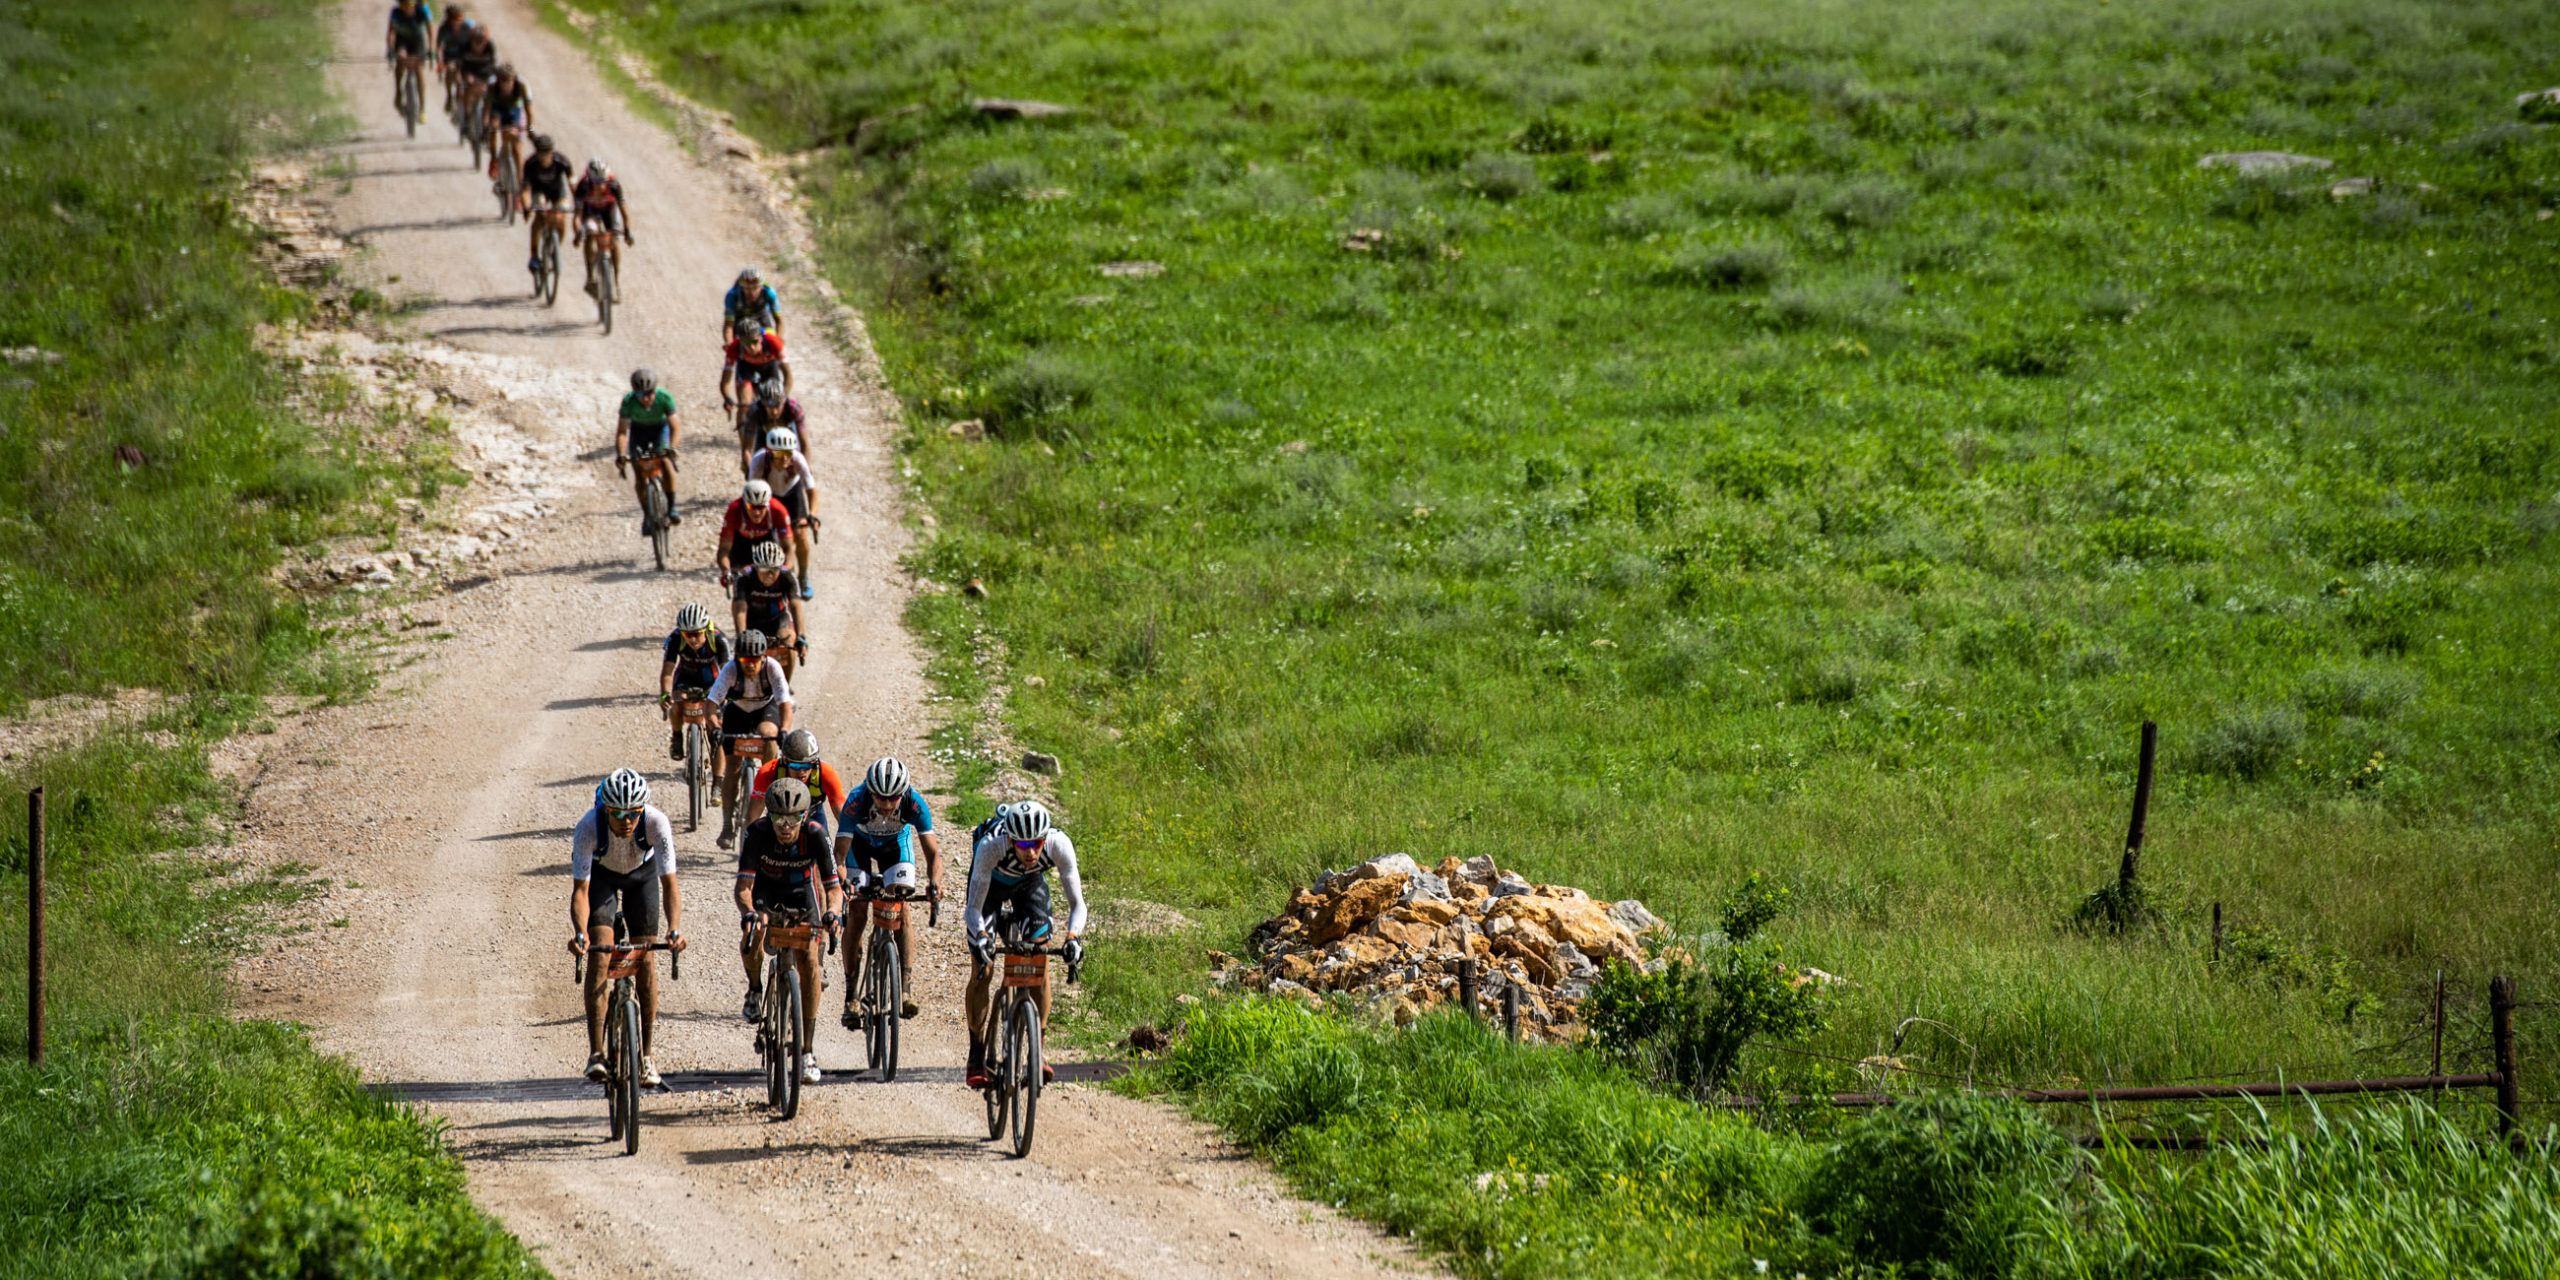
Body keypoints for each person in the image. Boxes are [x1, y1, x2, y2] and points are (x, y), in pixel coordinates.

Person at [569, 769, 686, 1088]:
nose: (625, 821)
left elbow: (670, 885)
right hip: (602, 878)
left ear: (642, 810)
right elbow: (581, 892)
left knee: (645, 957)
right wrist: (581, 934)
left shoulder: (657, 824)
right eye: (617, 814)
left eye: (633, 814)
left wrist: (674, 929)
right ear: (605, 809)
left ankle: (646, 1057)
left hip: (642, 877)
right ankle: (596, 1053)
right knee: (600, 953)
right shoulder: (588, 826)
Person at [962, 800, 1084, 1090]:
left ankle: (1037, 1052)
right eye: (1023, 844)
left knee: (1040, 957)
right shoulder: (991, 846)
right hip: (989, 889)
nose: (1030, 852)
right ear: (1011, 839)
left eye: (1037, 843)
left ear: (1045, 838)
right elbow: (973, 909)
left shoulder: (1059, 844)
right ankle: (977, 1054)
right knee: (984, 968)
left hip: (1029, 887)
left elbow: (1078, 904)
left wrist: (1073, 938)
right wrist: (980, 937)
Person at [732, 778, 839, 1085]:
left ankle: (807, 1051)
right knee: (756, 930)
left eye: (793, 819)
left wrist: (833, 913)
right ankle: (754, 989)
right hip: (766, 892)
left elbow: (833, 888)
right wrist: (749, 913)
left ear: (804, 816)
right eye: (779, 818)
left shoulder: (816, 836)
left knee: (809, 960)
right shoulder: (757, 833)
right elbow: (744, 888)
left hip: (801, 894)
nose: (785, 826)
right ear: (770, 815)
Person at [836, 756, 940, 1029]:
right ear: (870, 792)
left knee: (901, 905)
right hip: (860, 847)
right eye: (880, 798)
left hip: (896, 847)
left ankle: (904, 989)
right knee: (858, 911)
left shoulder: (914, 802)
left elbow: (933, 853)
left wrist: (934, 883)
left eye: (893, 798)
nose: (886, 804)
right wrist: (843, 883)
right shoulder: (857, 800)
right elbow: (840, 855)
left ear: (903, 793)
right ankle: (851, 994)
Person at [706, 629, 794, 847]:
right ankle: (727, 825)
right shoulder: (730, 669)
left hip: (765, 710)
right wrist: (715, 726)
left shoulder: (772, 668)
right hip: (737, 711)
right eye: (745, 660)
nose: (750, 665)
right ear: (738, 658)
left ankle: (771, 782)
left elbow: (785, 705)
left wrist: (784, 730)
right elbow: (710, 705)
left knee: (769, 736)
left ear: (763, 658)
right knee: (732, 769)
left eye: (755, 660)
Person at [747, 427, 820, 599]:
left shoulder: (798, 460)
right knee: (770, 538)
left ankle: (803, 577)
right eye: (780, 455)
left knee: (800, 535)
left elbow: (811, 491)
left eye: (788, 453)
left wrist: (812, 515)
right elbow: (751, 492)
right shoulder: (759, 460)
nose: (785, 459)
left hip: (792, 493)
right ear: (770, 452)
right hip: (769, 495)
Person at [658, 602, 729, 761]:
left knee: (714, 724)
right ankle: (677, 736)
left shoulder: (718, 638)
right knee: (676, 704)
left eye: (696, 633)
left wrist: (726, 695)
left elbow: (727, 671)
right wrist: (664, 693)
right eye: (687, 634)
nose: (692, 639)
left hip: (712, 680)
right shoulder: (675, 638)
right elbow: (668, 670)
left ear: (705, 629)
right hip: (685, 679)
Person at [615, 367, 683, 534]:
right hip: (638, 431)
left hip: (659, 430)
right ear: (634, 393)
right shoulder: (628, 402)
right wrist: (621, 455)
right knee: (638, 472)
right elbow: (622, 432)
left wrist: (672, 448)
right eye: (640, 395)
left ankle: (672, 508)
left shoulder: (664, 398)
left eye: (649, 393)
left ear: (655, 390)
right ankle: (647, 516)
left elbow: (675, 428)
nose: (645, 398)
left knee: (665, 461)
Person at [718, 319, 790, 466]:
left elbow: (788, 376)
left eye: (755, 341)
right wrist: (727, 398)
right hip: (746, 369)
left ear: (761, 337)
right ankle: (746, 451)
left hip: (769, 368)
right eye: (746, 343)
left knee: (775, 404)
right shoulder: (735, 347)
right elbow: (725, 381)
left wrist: (783, 398)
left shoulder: (773, 342)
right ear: (740, 341)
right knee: (744, 405)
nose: (751, 347)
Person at [730, 541, 805, 675]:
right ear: (756, 567)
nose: (769, 575)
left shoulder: (787, 576)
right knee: (746, 650)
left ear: (780, 568)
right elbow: (740, 609)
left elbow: (796, 606)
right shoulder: (744, 577)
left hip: (778, 618)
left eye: (774, 570)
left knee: (788, 641)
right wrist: (741, 635)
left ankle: (783, 688)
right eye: (764, 570)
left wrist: (801, 636)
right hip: (752, 620)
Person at [714, 479, 795, 583]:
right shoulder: (734, 510)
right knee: (739, 580)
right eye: (751, 506)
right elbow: (724, 549)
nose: (757, 512)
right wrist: (726, 571)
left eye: (761, 507)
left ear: (768, 504)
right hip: (741, 539)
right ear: (744, 503)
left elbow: (788, 548)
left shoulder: (778, 510)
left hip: (767, 537)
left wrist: (786, 570)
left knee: (773, 571)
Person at [573, 159, 633, 299]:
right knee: (589, 235)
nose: (600, 187)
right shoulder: (583, 186)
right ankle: (590, 277)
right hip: (590, 211)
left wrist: (628, 231)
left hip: (608, 211)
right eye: (597, 183)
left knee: (615, 240)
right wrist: (578, 232)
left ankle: (616, 282)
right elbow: (577, 215)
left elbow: (624, 210)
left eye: (603, 182)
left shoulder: (614, 185)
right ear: (591, 180)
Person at [521, 133, 576, 267]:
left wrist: (578, 204)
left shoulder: (562, 161)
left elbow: (573, 184)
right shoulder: (530, 164)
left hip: (557, 192)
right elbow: (525, 190)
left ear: (552, 152)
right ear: (537, 152)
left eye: (547, 153)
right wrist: (526, 206)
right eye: (541, 154)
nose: (544, 157)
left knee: (560, 219)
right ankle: (534, 255)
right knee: (540, 216)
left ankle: (554, 250)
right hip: (539, 191)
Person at [480, 64, 533, 185]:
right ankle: (494, 159)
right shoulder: (492, 87)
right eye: (503, 82)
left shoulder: (522, 86)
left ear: (514, 79)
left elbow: (530, 112)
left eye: (509, 82)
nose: (506, 86)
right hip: (498, 110)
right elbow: (486, 110)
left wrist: (531, 130)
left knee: (518, 149)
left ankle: (520, 185)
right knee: (493, 127)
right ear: (498, 81)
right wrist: (485, 128)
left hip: (515, 111)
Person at [385, 0, 435, 113]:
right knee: (401, 59)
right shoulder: (395, 13)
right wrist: (390, 50)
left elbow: (431, 31)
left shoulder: (423, 11)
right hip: (402, 40)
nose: (407, 8)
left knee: (419, 70)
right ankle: (398, 91)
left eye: (409, 5)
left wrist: (431, 49)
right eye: (404, 5)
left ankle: (422, 108)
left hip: (417, 41)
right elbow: (390, 33)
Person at [741, 378, 811, 456]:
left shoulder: (794, 409)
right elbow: (747, 449)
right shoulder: (754, 411)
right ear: (763, 405)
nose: (774, 412)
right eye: (770, 407)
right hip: (764, 434)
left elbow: (805, 446)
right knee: (759, 457)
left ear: (784, 403)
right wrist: (751, 467)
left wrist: (804, 467)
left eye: (777, 406)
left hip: (789, 434)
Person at [722, 267, 781, 342]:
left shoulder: (769, 292)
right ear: (742, 287)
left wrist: (778, 341)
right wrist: (729, 344)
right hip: (739, 320)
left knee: (770, 339)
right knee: (737, 343)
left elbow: (779, 320)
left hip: (762, 317)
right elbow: (729, 325)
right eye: (747, 288)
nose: (752, 292)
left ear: (761, 287)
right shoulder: (733, 296)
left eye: (755, 288)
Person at [434, 5, 469, 111]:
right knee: (450, 69)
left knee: (462, 79)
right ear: (449, 19)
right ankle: (449, 95)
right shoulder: (444, 29)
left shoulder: (467, 27)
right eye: (455, 18)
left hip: (464, 56)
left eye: (460, 18)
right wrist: (440, 63)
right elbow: (439, 47)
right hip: (450, 56)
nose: (458, 22)